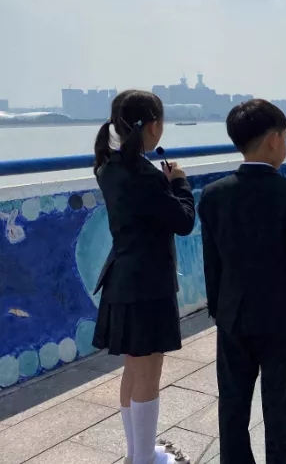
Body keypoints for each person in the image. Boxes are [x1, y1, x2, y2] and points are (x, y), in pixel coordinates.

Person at [198, 99, 286, 464]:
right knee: (279, 404)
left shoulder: (213, 195)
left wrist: (217, 307)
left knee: (233, 403)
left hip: (233, 315)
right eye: (285, 137)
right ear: (273, 140)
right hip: (279, 317)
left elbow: (212, 261)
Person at [92, 90, 196, 464]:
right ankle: (144, 459)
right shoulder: (146, 176)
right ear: (152, 126)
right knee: (149, 374)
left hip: (121, 279)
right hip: (149, 285)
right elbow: (183, 221)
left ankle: (138, 453)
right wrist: (179, 182)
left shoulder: (107, 167)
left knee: (133, 370)